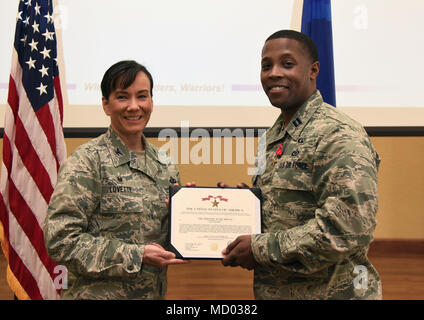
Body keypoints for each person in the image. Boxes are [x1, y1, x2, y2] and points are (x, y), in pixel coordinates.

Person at [220, 30, 382, 299]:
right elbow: (282, 205)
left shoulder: (338, 135)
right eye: (266, 66)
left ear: (313, 70)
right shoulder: (272, 136)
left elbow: (346, 229)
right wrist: (241, 206)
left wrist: (260, 248)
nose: (273, 73)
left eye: (287, 63)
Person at [44, 60, 188, 300]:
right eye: (123, 97)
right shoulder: (87, 162)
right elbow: (61, 241)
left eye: (142, 96)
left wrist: (186, 212)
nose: (134, 107)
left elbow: (167, 241)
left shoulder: (166, 165)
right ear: (106, 105)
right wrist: (136, 255)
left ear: (151, 101)